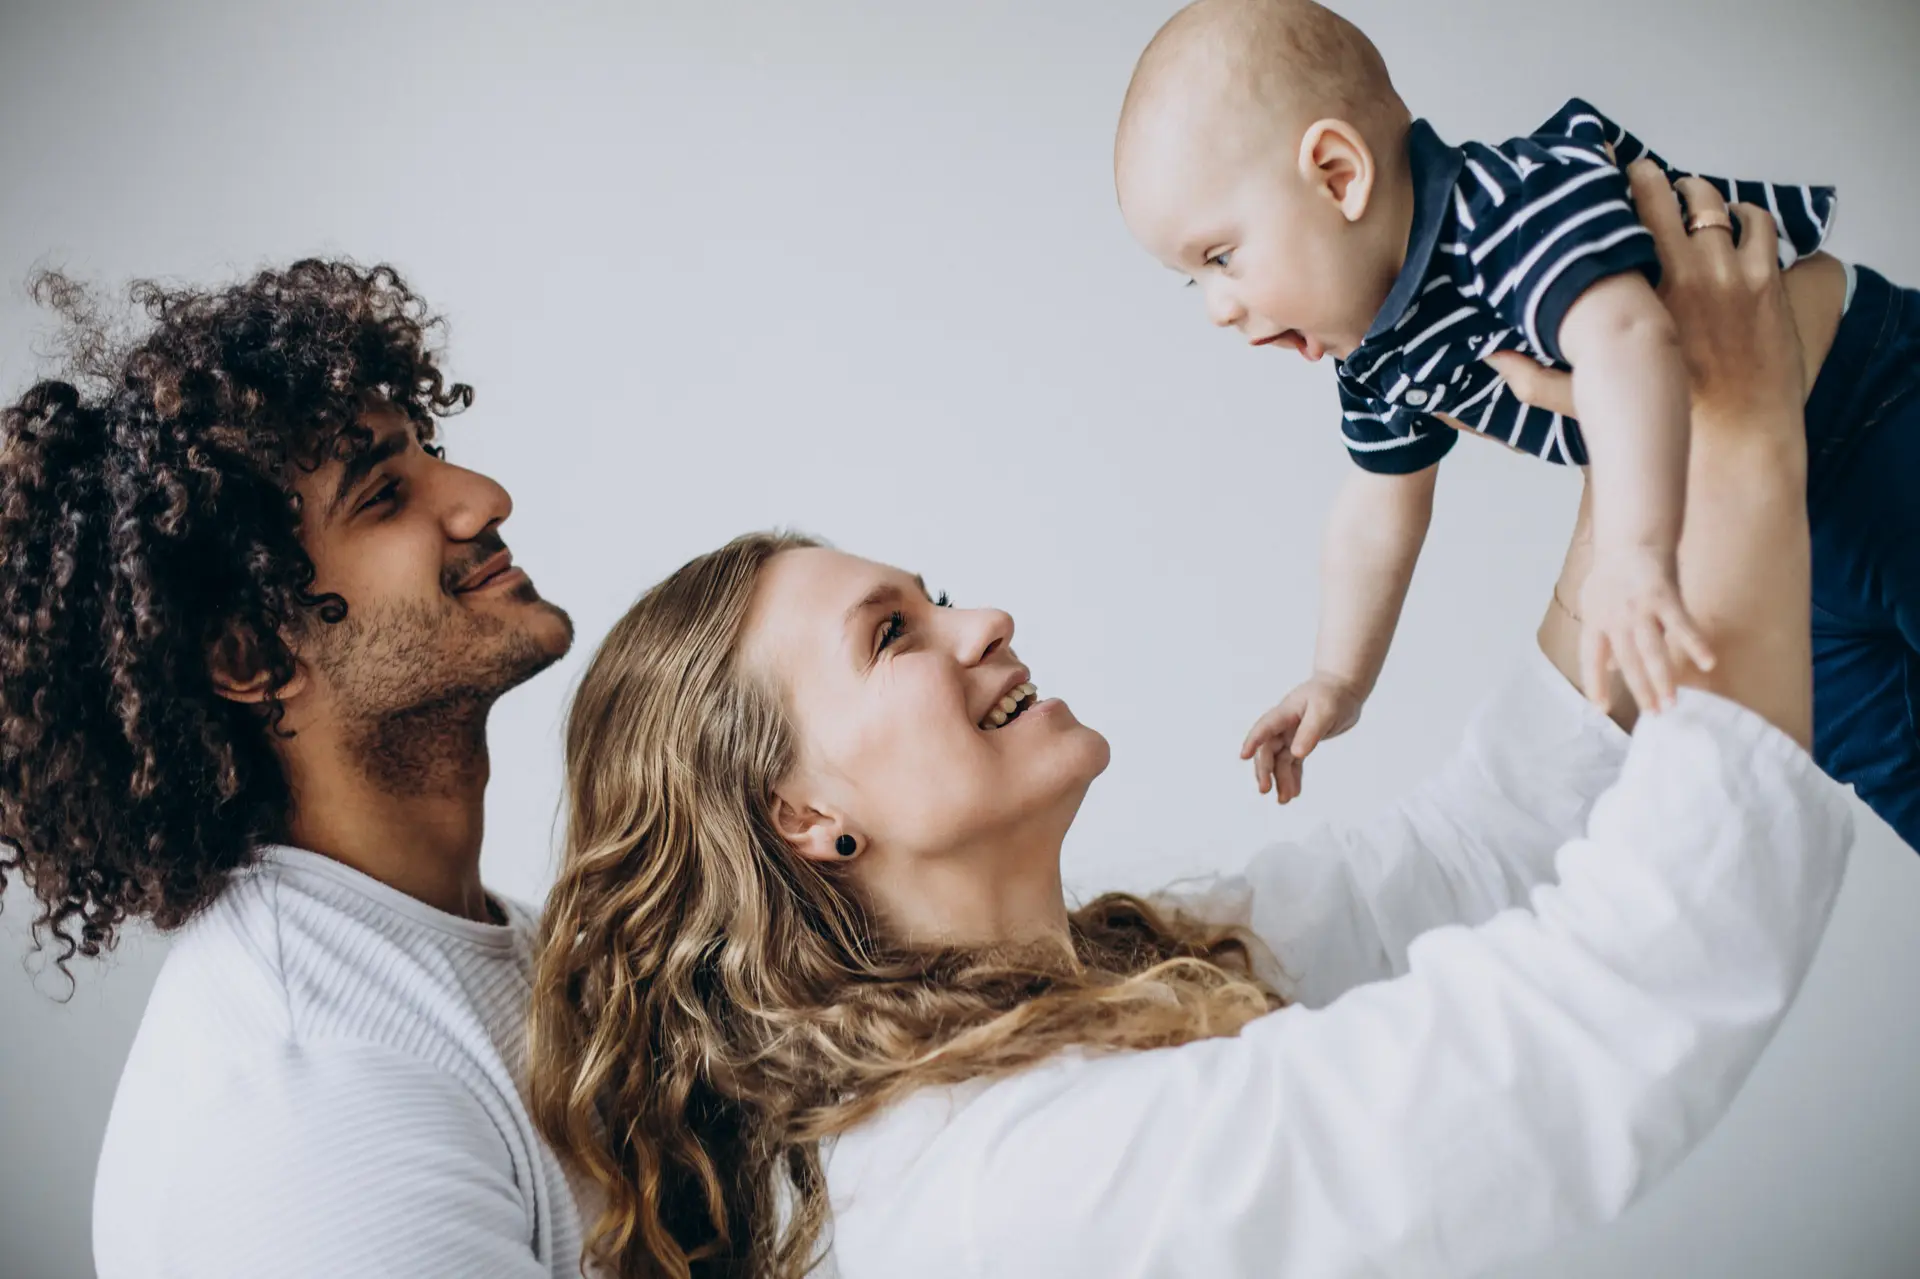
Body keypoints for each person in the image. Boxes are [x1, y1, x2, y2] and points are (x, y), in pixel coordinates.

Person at [525, 171, 1852, 1279]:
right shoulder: (1004, 1183)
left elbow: (1471, 851)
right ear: (803, 815)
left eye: (933, 597)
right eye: (892, 635)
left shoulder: (1124, 968)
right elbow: (1593, 1036)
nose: (982, 619)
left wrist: (1647, 429)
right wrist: (1747, 434)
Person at [1113, 0, 1920, 856]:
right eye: (1193, 279)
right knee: (1896, 773)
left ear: (1338, 175)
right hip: (1773, 542)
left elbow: (1631, 341)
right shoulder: (1379, 352)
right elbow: (1378, 510)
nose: (1218, 309)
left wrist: (1633, 556)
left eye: (1221, 257)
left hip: (1867, 415)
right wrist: (1339, 677)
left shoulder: (1509, 206)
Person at [0, 261, 584, 1276]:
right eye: (384, 495)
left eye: (431, 455)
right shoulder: (315, 1088)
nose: (484, 499)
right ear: (250, 657)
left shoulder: (494, 949)